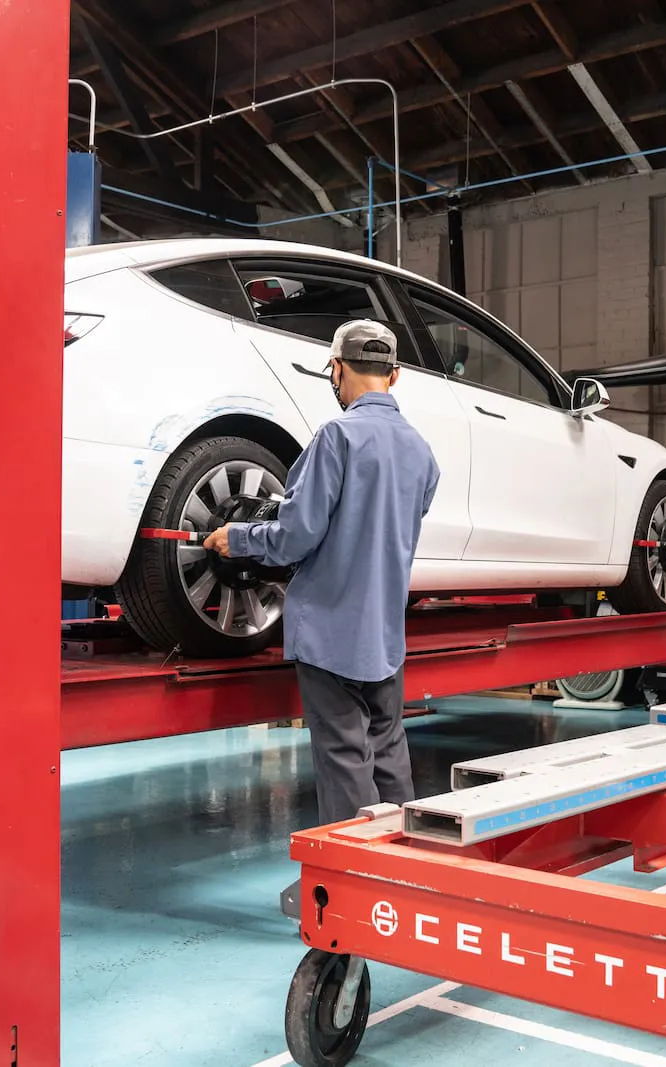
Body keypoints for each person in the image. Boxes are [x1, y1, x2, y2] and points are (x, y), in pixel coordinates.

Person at [203, 319, 439, 915]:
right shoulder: (421, 452)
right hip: (384, 631)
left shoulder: (336, 438)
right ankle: (405, 875)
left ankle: (348, 895)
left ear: (337, 368)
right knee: (389, 752)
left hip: (332, 631)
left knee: (343, 761)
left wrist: (239, 537)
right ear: (396, 374)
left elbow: (294, 536)